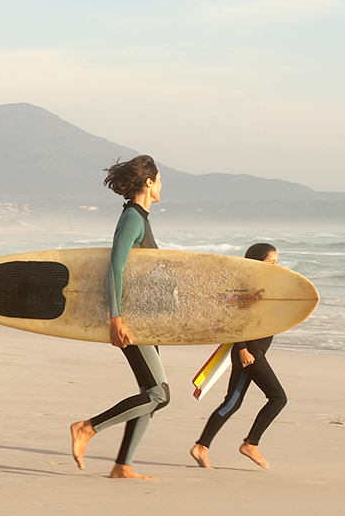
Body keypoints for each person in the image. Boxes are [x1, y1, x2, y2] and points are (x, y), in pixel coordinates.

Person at [69, 155, 171, 480]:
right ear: (149, 182)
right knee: (159, 394)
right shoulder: (132, 218)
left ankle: (122, 465)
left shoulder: (141, 218)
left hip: (143, 321)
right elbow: (115, 268)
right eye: (160, 178)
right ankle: (87, 428)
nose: (163, 184)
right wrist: (116, 318)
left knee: (149, 392)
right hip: (129, 321)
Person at [190, 243, 288, 471]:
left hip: (252, 352)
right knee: (278, 398)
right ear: (256, 262)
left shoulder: (264, 286)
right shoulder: (246, 287)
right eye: (272, 262)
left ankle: (201, 446)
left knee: (232, 402)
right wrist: (242, 349)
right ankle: (250, 444)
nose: (276, 266)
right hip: (250, 354)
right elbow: (232, 319)